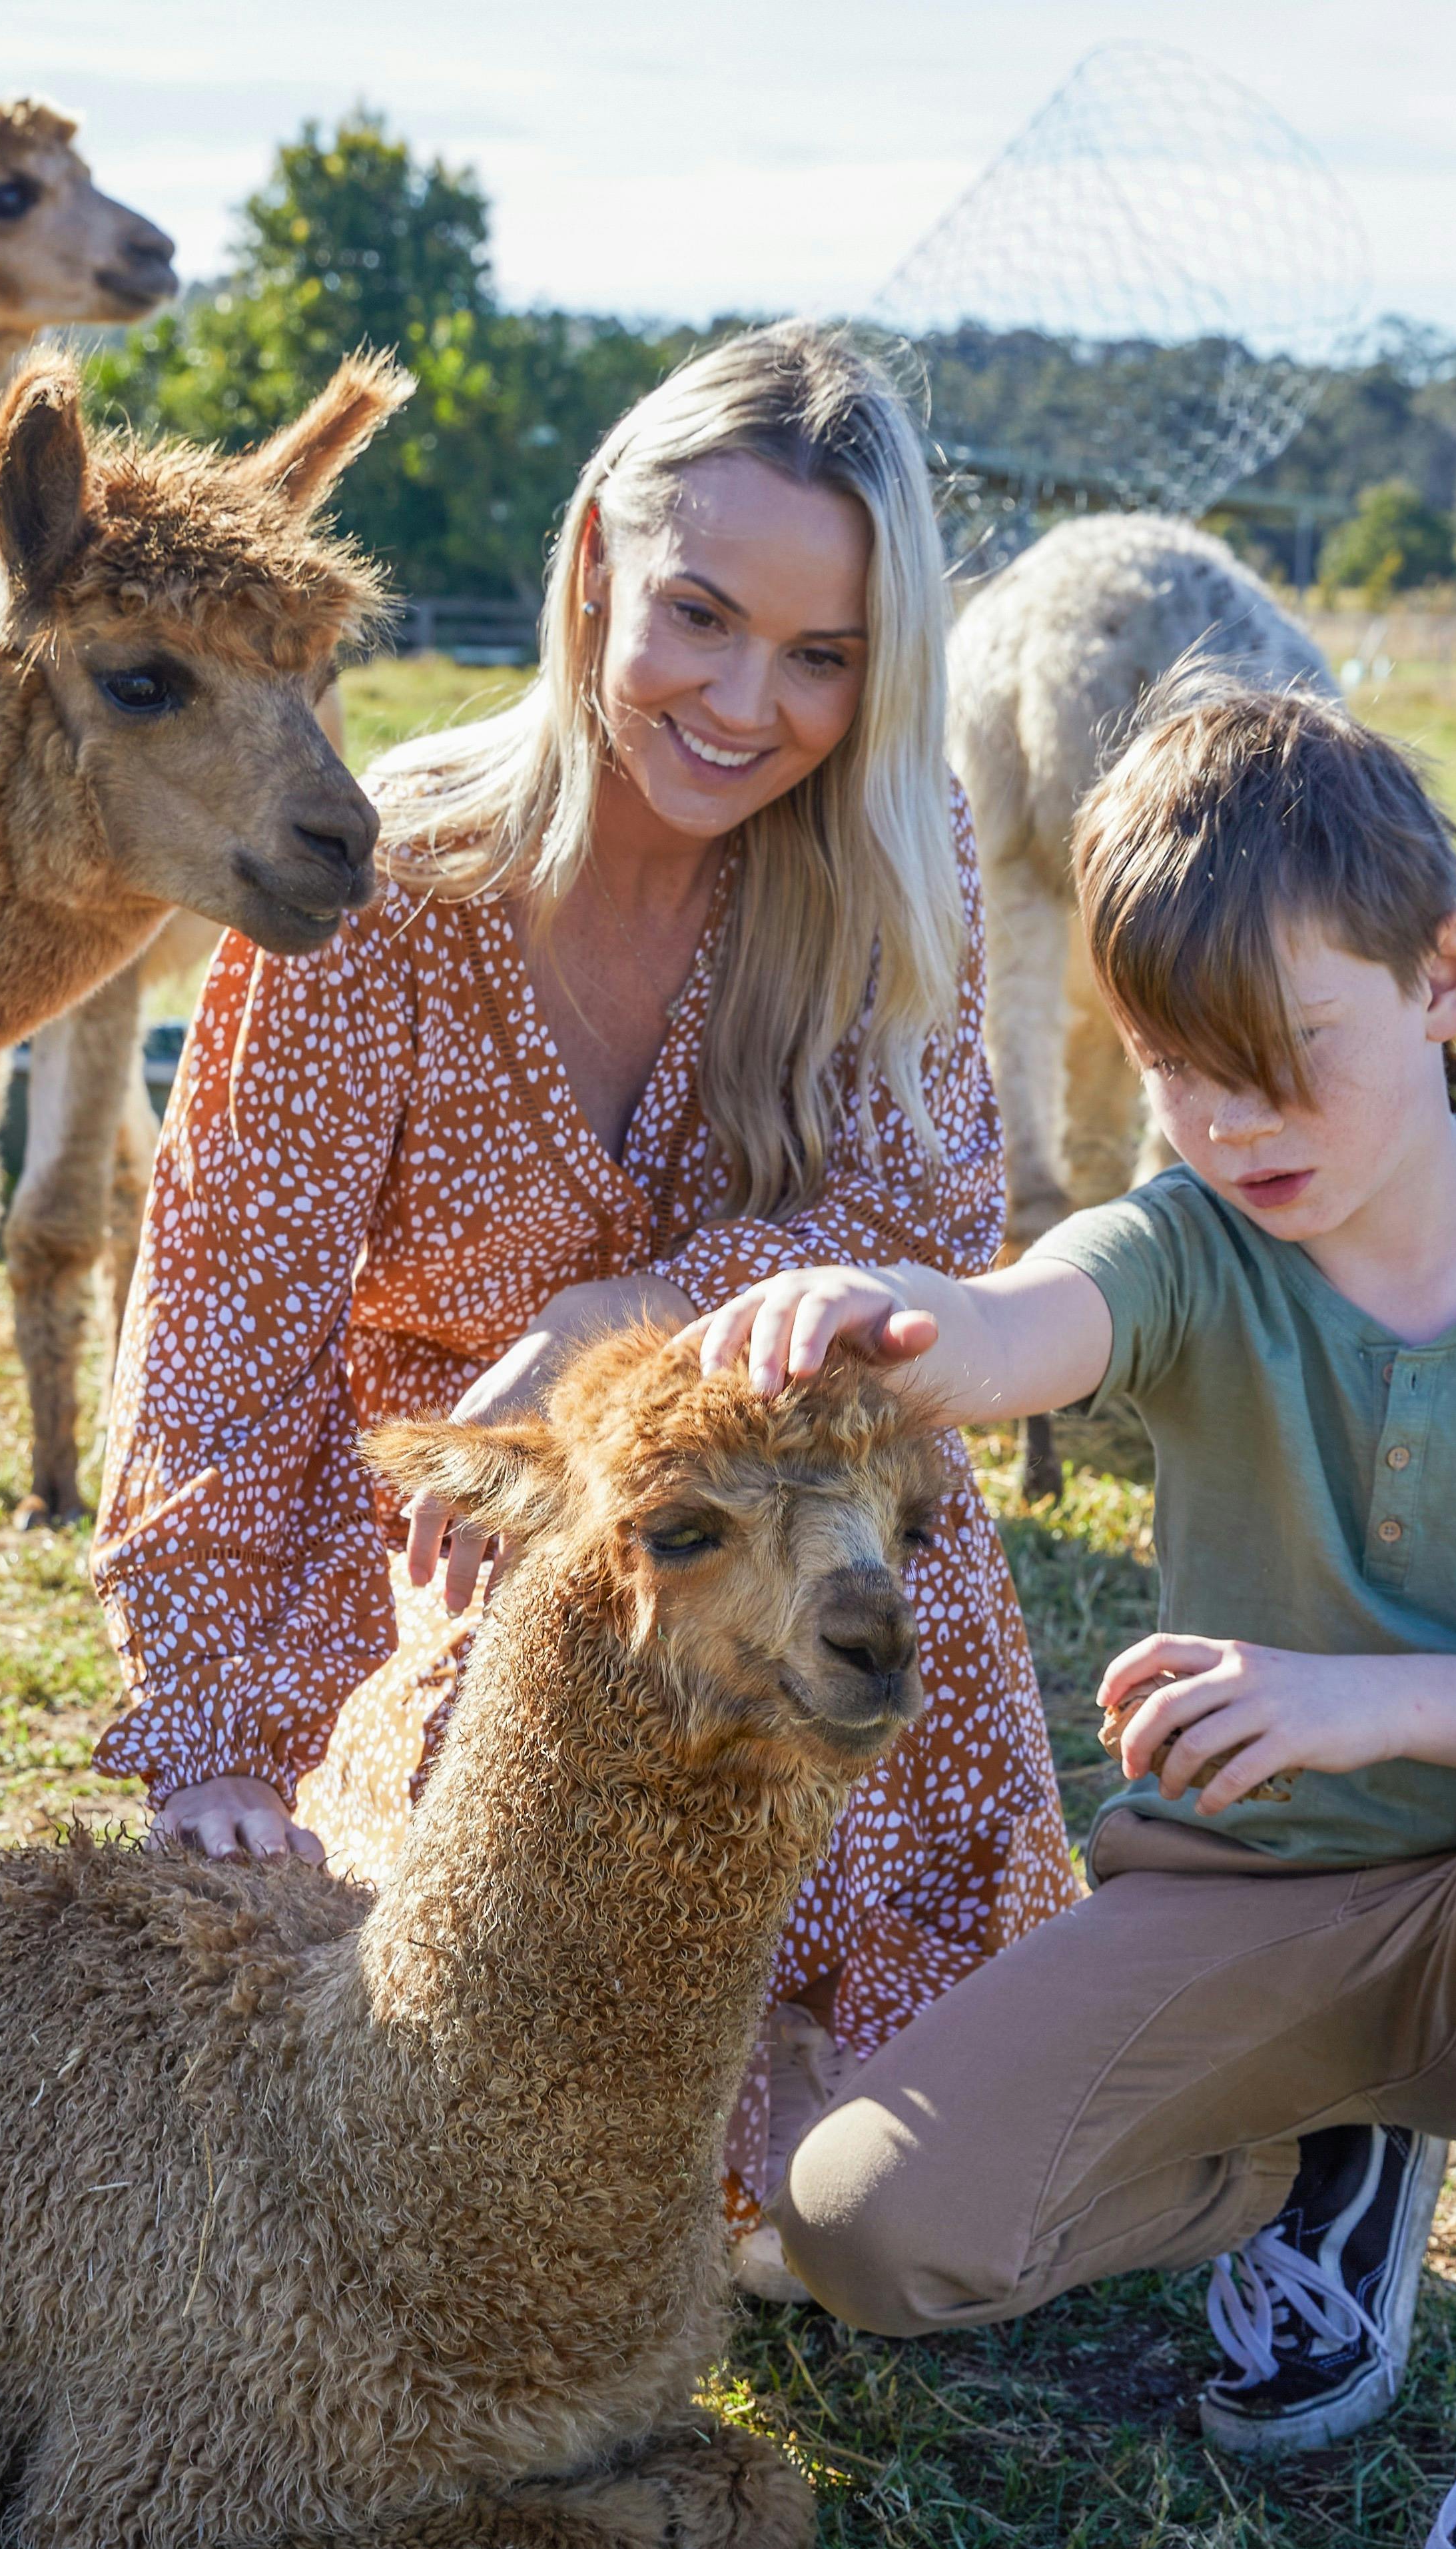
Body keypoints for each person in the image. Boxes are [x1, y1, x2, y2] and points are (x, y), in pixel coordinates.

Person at [689, 686, 1456, 2549]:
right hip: (1234, 1914)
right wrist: (893, 1329)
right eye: (1182, 1075)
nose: (1235, 1128)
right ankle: (1318, 2171)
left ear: (1445, 973)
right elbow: (1036, 1317)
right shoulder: (1198, 1244)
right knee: (864, 2232)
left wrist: (1361, 1704)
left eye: (1284, 1063)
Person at [88, 320, 1078, 2253]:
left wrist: (643, 1308)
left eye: (824, 658)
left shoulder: (897, 853)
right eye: (699, 616)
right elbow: (226, 1319)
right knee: (496, 2107)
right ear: (592, 574)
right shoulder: (381, 890)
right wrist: (212, 1724)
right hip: (483, 1556)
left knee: (899, 2198)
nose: (743, 702)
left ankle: (846, 2087)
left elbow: (941, 1218)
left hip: (806, 1528)